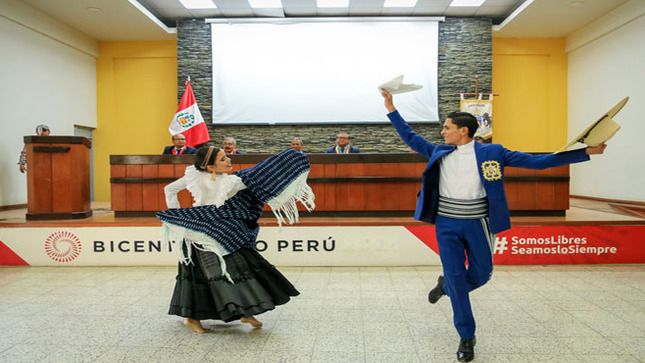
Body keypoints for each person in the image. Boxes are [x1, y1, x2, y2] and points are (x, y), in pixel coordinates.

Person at [380, 89, 606, 362]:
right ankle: (466, 336)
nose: (442, 132)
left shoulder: (493, 152)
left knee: (482, 274)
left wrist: (585, 152)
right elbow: (410, 137)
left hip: (479, 223)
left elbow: (538, 162)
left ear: (464, 131)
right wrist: (391, 106)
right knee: (456, 275)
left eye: (447, 128)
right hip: (446, 224)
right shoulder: (438, 151)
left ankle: (447, 287)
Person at [157, 146, 315, 334]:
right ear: (210, 167)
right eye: (223, 159)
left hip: (218, 230)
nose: (229, 160)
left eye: (227, 157)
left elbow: (261, 173)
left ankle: (245, 311)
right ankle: (192, 318)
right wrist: (179, 215)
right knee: (208, 276)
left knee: (238, 270)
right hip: (200, 232)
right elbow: (170, 189)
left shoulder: (232, 181)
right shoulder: (199, 176)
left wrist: (291, 156)